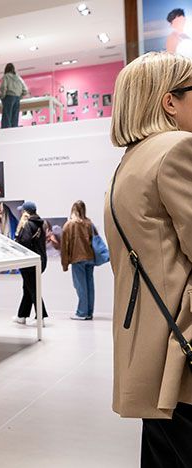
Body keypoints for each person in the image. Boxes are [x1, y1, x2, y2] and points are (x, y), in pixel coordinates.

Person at [106, 51, 192, 465]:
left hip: (152, 346)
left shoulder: (128, 164)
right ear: (169, 101)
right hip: (181, 347)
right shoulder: (177, 148)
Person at [13, 201, 48, 324]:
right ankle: (22, 316)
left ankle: (41, 317)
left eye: (22, 210)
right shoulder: (40, 224)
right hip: (40, 260)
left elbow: (25, 242)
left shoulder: (28, 224)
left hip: (29, 262)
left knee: (33, 289)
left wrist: (15, 243)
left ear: (26, 212)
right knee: (27, 288)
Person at [61, 200, 95, 321]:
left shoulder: (69, 225)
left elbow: (64, 247)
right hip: (90, 258)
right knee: (89, 286)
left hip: (77, 259)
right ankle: (89, 312)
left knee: (81, 286)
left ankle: (81, 313)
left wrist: (64, 264)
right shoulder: (89, 223)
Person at [0, 63, 29, 129]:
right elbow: (25, 90)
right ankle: (14, 132)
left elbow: (3, 87)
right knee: (15, 117)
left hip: (8, 97)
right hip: (17, 98)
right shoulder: (18, 77)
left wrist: (2, 96)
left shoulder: (6, 76)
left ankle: (6, 133)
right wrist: (19, 97)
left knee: (7, 117)